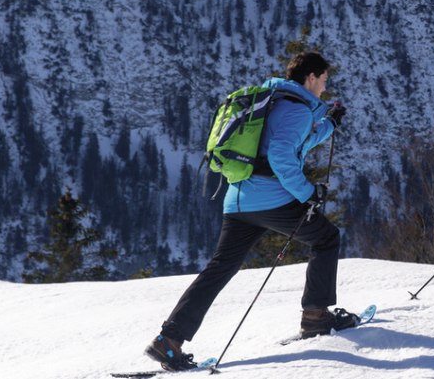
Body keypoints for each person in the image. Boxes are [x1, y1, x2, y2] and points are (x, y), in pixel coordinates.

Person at [144, 52, 360, 370]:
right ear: (311, 77)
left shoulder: (271, 102)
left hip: (238, 200)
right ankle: (315, 317)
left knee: (219, 268)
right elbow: (281, 154)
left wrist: (328, 124)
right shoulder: (297, 110)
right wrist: (308, 193)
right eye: (324, 80)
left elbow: (296, 140)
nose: (325, 88)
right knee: (326, 238)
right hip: (271, 200)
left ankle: (169, 340)